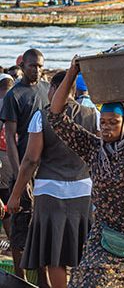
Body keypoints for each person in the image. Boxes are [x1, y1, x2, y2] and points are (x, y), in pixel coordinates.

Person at [47, 49, 124, 287]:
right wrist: (73, 71)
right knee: (86, 279)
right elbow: (56, 116)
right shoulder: (94, 149)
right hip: (105, 234)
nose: (106, 128)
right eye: (102, 122)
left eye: (113, 123)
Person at [7, 70, 99, 288]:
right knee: (81, 248)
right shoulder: (91, 115)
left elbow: (30, 160)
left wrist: (16, 194)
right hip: (83, 190)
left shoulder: (42, 116)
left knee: (54, 255)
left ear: (57, 89)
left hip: (50, 193)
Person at [0, 48, 50, 280]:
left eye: (40, 66)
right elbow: (10, 136)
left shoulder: (46, 89)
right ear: (23, 67)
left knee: (40, 227)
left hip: (45, 167)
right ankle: (19, 279)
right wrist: (19, 172)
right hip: (23, 166)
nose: (37, 70)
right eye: (33, 66)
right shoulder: (14, 95)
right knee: (20, 230)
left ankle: (41, 277)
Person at [0, 73, 15, 244]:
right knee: (10, 213)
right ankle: (14, 245)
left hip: (3, 163)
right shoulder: (19, 101)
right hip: (17, 166)